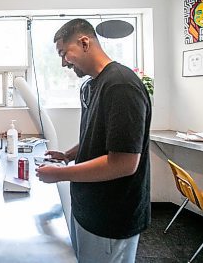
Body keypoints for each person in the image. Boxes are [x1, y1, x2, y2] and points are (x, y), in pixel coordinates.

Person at [35, 18, 152, 263]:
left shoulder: (121, 85)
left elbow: (123, 163)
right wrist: (68, 155)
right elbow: (97, 137)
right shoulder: (93, 85)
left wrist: (60, 174)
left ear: (85, 42)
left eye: (64, 53)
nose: (63, 63)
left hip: (111, 216)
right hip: (89, 208)